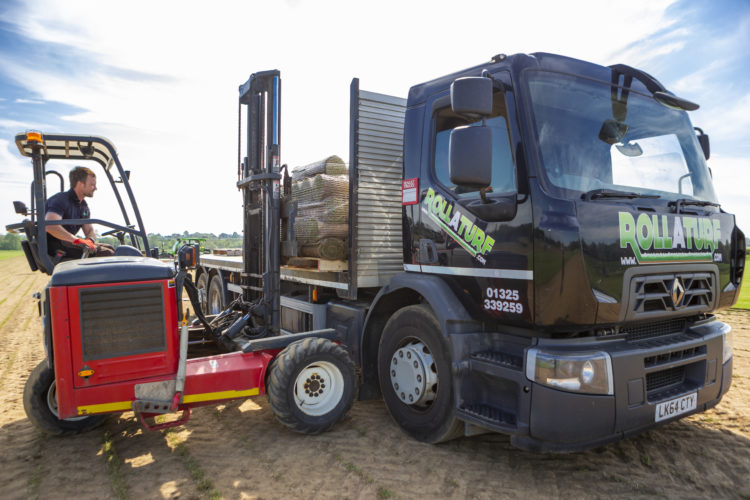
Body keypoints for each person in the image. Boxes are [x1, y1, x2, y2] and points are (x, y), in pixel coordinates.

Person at [45, 166, 115, 260]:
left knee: (111, 248)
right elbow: (50, 226)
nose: (95, 188)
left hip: (70, 243)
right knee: (107, 253)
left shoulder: (83, 206)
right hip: (57, 247)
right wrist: (78, 241)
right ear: (80, 184)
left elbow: (89, 230)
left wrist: (90, 240)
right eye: (92, 185)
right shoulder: (61, 200)